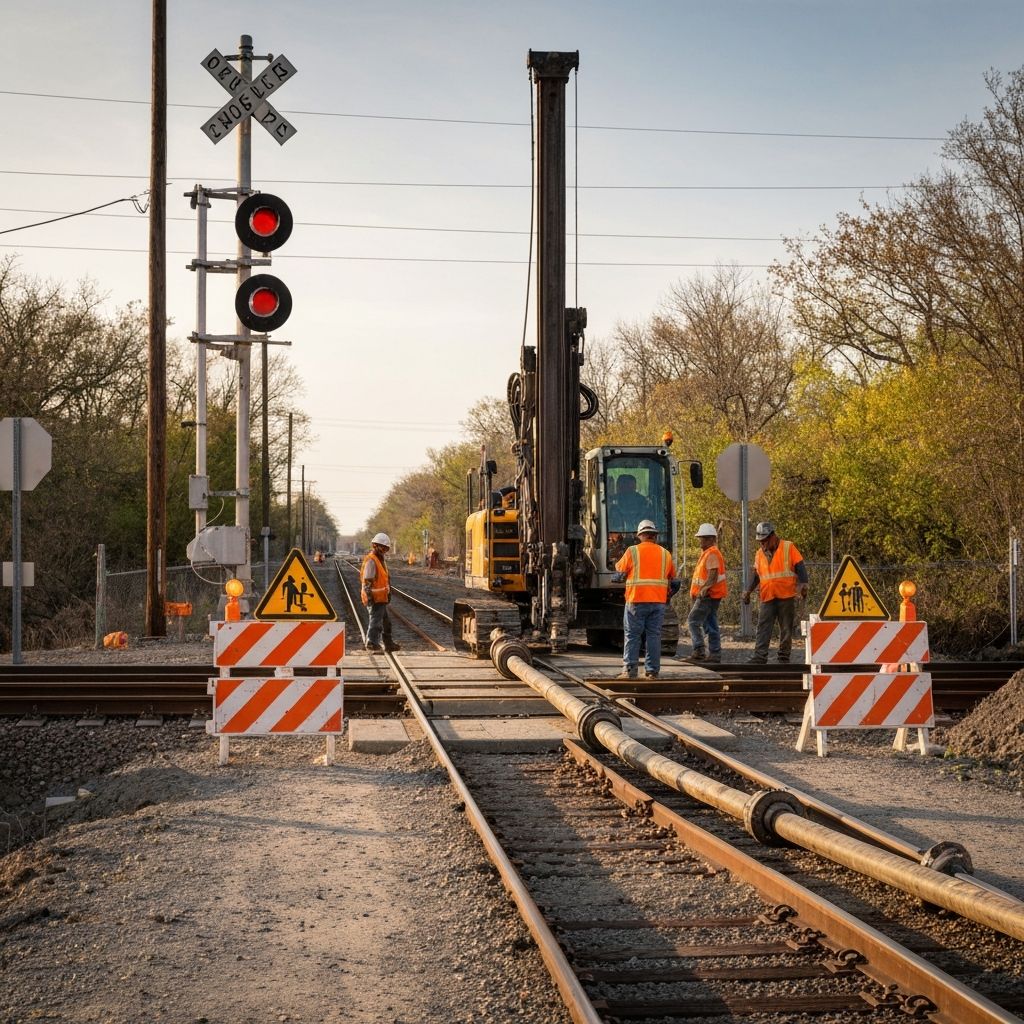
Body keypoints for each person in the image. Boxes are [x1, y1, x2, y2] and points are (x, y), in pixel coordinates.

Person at [613, 519, 680, 679]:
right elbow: (675, 582)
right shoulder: (666, 554)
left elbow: (619, 575)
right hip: (657, 603)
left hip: (636, 600)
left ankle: (629, 671)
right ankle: (652, 672)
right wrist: (667, 595)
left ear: (640, 535)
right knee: (654, 635)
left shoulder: (632, 551)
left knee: (632, 635)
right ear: (654, 536)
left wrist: (615, 577)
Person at [742, 520, 809, 664]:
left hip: (786, 595)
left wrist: (802, 585)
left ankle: (783, 657)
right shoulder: (759, 553)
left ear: (773, 536)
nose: (763, 544)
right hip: (767, 596)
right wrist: (748, 590)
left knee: (786, 628)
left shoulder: (788, 547)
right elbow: (756, 575)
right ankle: (760, 657)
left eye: (765, 541)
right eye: (760, 542)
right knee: (763, 626)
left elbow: (800, 567)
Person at [683, 523, 727, 664]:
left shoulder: (712, 553)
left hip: (708, 596)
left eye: (701, 538)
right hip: (711, 595)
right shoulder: (709, 553)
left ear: (709, 539)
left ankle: (699, 651)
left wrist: (704, 589)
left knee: (693, 620)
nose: (700, 541)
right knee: (710, 624)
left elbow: (713, 575)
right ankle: (715, 654)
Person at [360, 532, 401, 653]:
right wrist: (371, 597)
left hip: (381, 597)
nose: (384, 550)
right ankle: (372, 643)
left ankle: (388, 644)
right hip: (375, 598)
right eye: (382, 547)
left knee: (386, 622)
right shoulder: (372, 561)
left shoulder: (380, 559)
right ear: (375, 546)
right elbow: (367, 582)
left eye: (386, 548)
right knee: (376, 622)